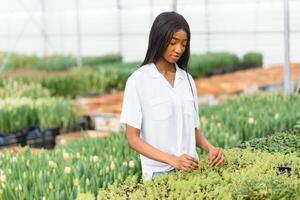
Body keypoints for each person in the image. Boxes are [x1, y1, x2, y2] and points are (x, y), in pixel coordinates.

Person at [120, 11, 225, 181]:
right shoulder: (138, 81)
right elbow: (133, 139)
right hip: (159, 175)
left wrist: (210, 148)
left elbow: (192, 129)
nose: (179, 50)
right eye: (173, 42)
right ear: (159, 39)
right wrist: (172, 160)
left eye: (184, 44)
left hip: (192, 170)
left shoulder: (187, 80)